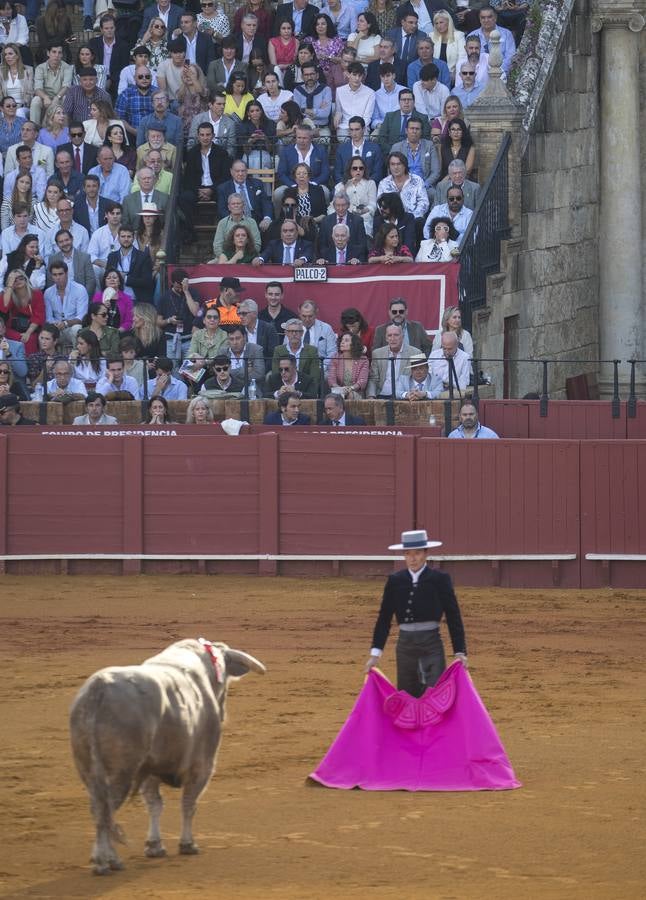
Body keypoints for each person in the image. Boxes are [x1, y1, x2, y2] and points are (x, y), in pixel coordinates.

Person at [365, 528, 467, 697]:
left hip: (432, 644)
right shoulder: (395, 581)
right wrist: (375, 654)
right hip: (405, 647)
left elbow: (453, 615)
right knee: (407, 697)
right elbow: (384, 618)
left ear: (426, 554)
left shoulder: (439, 579)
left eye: (417, 553)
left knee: (436, 697)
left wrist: (460, 652)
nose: (412, 558)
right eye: (407, 553)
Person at [366, 322, 421, 397]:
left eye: (396, 335)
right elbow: (373, 379)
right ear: (386, 338)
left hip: (406, 396)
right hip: (382, 395)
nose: (392, 338)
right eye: (389, 335)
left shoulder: (416, 353)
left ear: (402, 336)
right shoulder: (377, 353)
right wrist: (371, 396)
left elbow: (419, 378)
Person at [1, 268, 45, 355]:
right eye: (14, 280)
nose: (18, 281)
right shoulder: (9, 294)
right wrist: (10, 287)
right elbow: (4, 307)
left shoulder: (36, 293)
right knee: (10, 336)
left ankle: (30, 365)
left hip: (32, 327)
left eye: (20, 278)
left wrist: (28, 332)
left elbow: (38, 316)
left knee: (29, 339)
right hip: (14, 327)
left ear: (25, 279)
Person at [377, 151, 429, 221]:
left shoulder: (417, 180)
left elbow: (424, 203)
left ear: (405, 165)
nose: (396, 167)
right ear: (389, 166)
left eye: (399, 164)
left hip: (413, 220)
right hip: (390, 221)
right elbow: (379, 204)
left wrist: (412, 217)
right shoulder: (383, 183)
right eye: (392, 164)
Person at [334, 64, 376, 139]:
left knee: (362, 140)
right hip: (345, 126)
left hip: (362, 127)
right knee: (343, 140)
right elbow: (338, 111)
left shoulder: (370, 93)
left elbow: (367, 117)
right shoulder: (340, 91)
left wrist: (357, 129)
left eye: (359, 76)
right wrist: (337, 115)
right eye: (354, 75)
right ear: (348, 74)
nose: (357, 78)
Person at [326, 331, 369, 398]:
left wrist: (350, 389)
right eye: (342, 340)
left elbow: (362, 381)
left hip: (356, 392)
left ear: (354, 344)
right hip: (338, 391)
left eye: (346, 340)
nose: (342, 342)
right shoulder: (336, 358)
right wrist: (340, 389)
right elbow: (331, 379)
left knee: (350, 395)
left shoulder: (363, 360)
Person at [439, 116, 475, 181]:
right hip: (445, 181)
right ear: (449, 132)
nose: (456, 132)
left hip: (463, 180)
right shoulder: (442, 147)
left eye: (459, 129)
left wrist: (449, 178)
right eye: (453, 129)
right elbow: (439, 168)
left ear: (463, 132)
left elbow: (468, 170)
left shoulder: (470, 147)